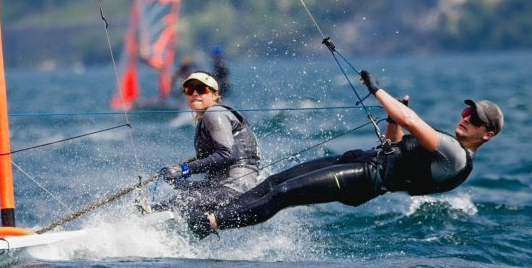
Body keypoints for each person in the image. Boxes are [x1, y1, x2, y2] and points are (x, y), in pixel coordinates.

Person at [184, 70, 503, 238]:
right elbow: (396, 140)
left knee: (282, 194)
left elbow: (411, 120)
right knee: (274, 181)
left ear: (486, 134)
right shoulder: (449, 151)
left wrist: (376, 90)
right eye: (466, 112)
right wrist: (393, 117)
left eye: (474, 120)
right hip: (360, 162)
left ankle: (211, 223)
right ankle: (219, 211)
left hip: (365, 179)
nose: (465, 119)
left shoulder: (456, 156)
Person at [153, 71, 261, 214]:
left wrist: (184, 169)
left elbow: (226, 154)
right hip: (231, 187)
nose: (195, 94)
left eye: (202, 89)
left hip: (235, 188)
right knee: (177, 197)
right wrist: (180, 182)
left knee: (178, 202)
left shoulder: (214, 113)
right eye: (190, 90)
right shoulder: (214, 115)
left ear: (215, 94)